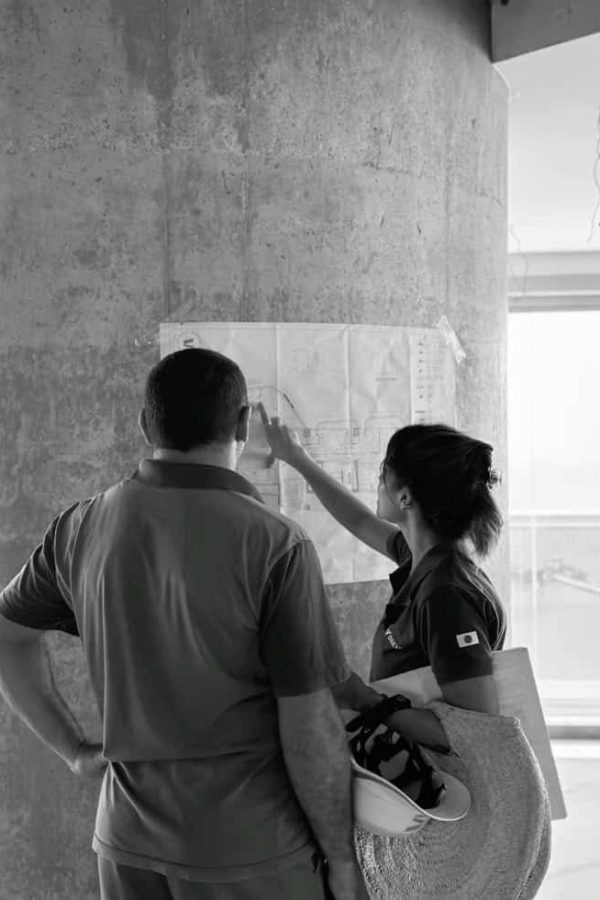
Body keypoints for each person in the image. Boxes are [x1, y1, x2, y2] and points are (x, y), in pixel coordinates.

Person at [0, 348, 369, 900]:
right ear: (244, 424)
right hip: (250, 848)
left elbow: (8, 637)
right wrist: (342, 860)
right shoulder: (275, 543)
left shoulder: (79, 527)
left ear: (145, 424)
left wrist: (75, 751)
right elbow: (308, 729)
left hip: (125, 843)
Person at [258, 408, 507, 750]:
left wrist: (363, 698)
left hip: (453, 795)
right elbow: (358, 520)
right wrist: (296, 457)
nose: (376, 485)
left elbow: (476, 733)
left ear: (405, 497)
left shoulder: (445, 596)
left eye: (382, 473)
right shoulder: (423, 557)